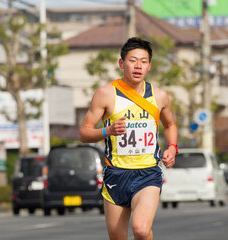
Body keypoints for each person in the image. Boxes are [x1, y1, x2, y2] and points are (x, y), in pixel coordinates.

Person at [79, 37, 178, 240]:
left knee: (141, 229)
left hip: (147, 173)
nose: (138, 66)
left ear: (149, 66)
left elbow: (170, 124)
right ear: (121, 63)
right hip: (116, 174)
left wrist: (172, 147)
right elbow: (84, 132)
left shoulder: (160, 96)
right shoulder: (105, 94)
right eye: (133, 60)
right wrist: (107, 131)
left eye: (143, 61)